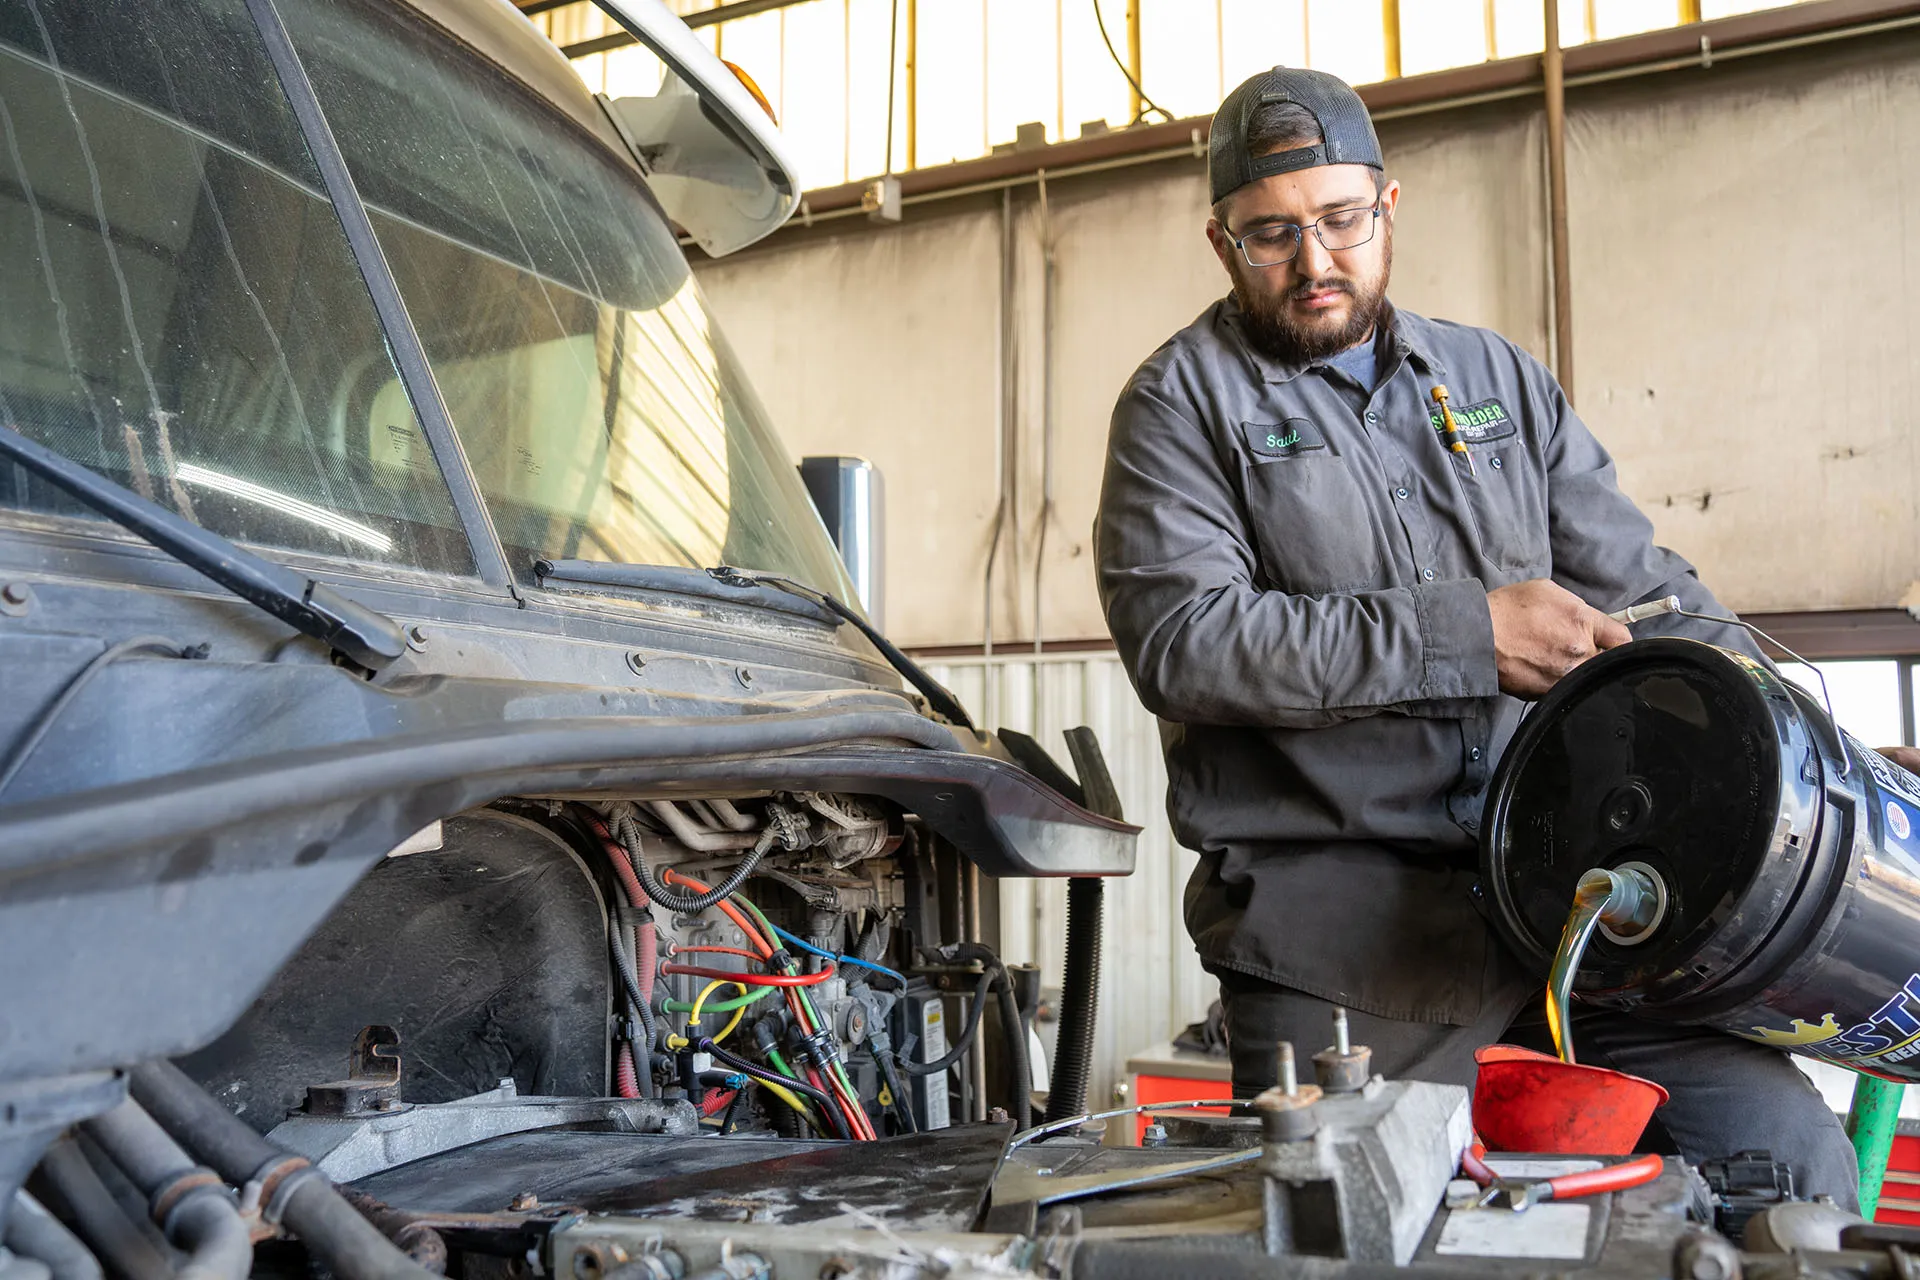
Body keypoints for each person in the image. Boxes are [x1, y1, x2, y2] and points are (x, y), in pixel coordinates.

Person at [1093, 65, 1864, 1205]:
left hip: (1572, 911)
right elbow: (1189, 640)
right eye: (1271, 236)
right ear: (1222, 244)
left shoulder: (1494, 378)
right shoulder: (1179, 405)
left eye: (1342, 220)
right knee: (1362, 1222)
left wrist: (1817, 741)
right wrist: (1465, 632)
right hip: (1347, 942)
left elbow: (1650, 595)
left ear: (1388, 208)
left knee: (1788, 1162)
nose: (1315, 261)